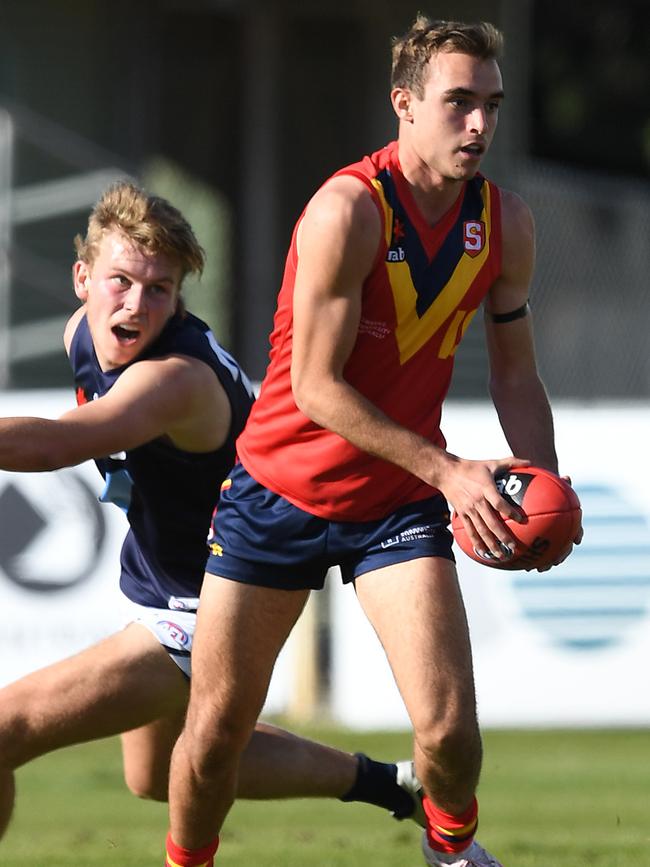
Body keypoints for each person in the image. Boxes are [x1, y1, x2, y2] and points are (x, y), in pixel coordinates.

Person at [164, 15, 583, 867]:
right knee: (213, 739)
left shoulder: (506, 225)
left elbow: (513, 374)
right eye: (459, 103)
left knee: (452, 736)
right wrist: (450, 471)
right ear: (404, 104)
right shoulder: (346, 210)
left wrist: (544, 488)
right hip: (276, 492)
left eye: (493, 106)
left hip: (393, 502)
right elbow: (316, 388)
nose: (480, 125)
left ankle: (450, 849)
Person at [0, 182, 426, 845]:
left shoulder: (177, 378)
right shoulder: (83, 335)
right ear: (82, 278)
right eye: (120, 281)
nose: (137, 304)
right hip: (161, 583)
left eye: (160, 289)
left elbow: (61, 443)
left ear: (179, 298)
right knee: (156, 773)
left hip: (220, 602)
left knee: (5, 728)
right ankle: (393, 783)